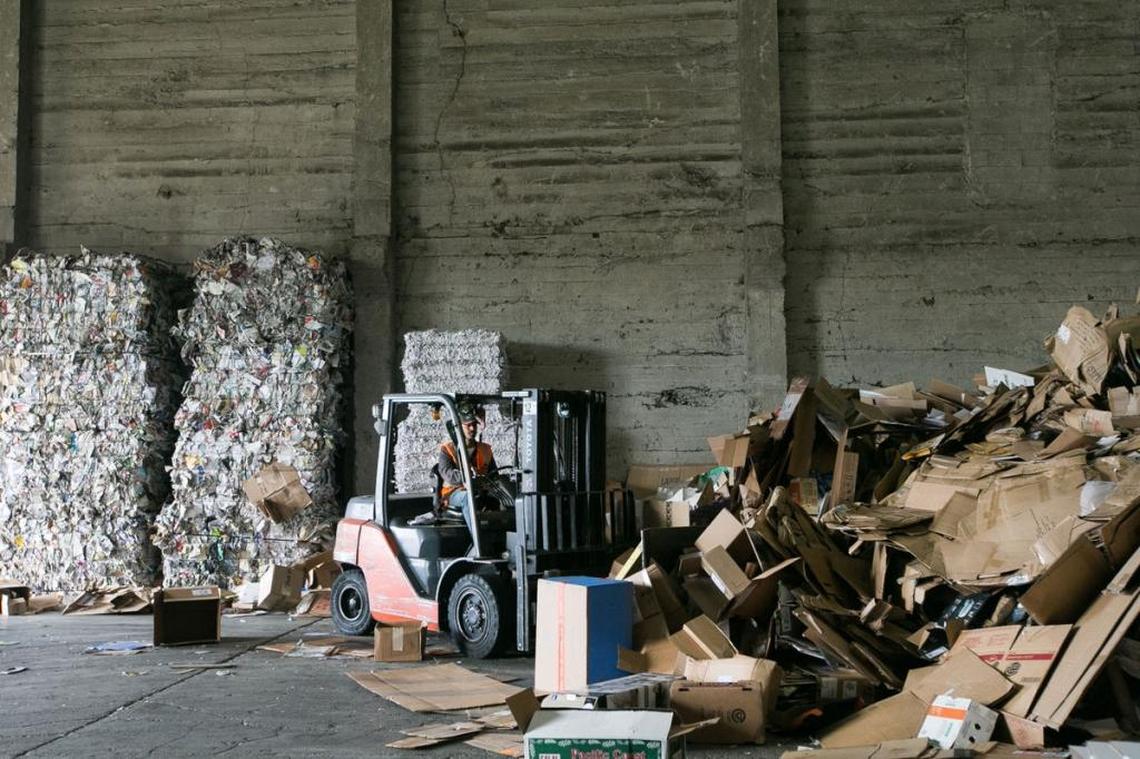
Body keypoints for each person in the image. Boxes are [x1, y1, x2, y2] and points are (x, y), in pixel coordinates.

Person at [438, 403, 497, 531]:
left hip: (479, 492)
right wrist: (468, 475)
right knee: (467, 497)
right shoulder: (447, 450)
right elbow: (448, 474)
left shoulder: (485, 449)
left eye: (474, 425)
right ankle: (479, 543)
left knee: (498, 499)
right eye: (468, 425)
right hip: (454, 494)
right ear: (459, 426)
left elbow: (494, 474)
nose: (472, 429)